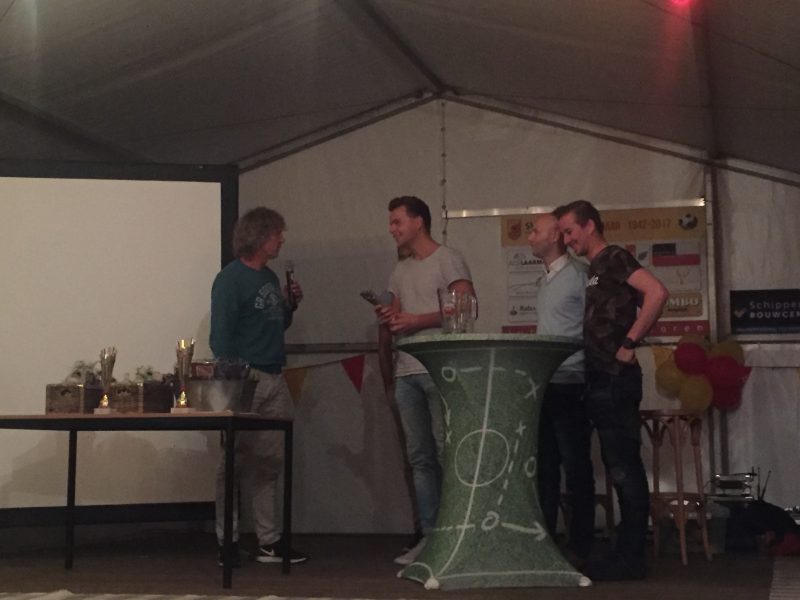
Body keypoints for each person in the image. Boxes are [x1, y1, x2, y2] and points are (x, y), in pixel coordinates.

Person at [555, 200, 669, 581]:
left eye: (570, 231)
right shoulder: (594, 268)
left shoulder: (615, 258)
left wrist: (629, 344)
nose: (566, 240)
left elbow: (657, 292)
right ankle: (624, 550)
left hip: (616, 377)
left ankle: (631, 555)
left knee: (623, 466)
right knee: (617, 464)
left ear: (590, 226)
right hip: (600, 377)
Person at [376, 195, 476, 565]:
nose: (392, 229)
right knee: (419, 457)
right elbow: (394, 317)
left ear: (419, 222)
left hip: (440, 368)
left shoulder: (448, 258)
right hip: (406, 370)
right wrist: (388, 316)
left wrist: (416, 320)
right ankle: (431, 536)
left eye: (397, 221)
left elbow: (466, 307)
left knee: (446, 450)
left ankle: (457, 533)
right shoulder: (399, 271)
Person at [209, 206, 308, 567]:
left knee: (270, 462)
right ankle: (227, 541)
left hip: (274, 375)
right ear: (260, 236)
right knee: (233, 463)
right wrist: (234, 379)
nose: (282, 239)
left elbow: (274, 325)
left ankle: (269, 541)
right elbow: (220, 337)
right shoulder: (230, 279)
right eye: (277, 233)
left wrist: (290, 306)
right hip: (245, 378)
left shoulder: (268, 276)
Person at [527, 213, 595, 567]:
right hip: (546, 382)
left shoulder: (580, 275)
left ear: (555, 236)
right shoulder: (545, 280)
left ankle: (581, 544)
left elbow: (592, 325)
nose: (529, 236)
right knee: (546, 466)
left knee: (575, 465)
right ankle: (546, 541)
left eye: (535, 230)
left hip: (572, 381)